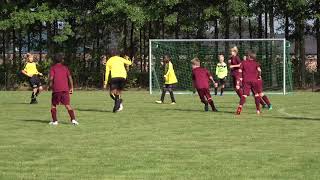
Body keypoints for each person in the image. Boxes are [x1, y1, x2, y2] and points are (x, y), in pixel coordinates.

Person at [49, 53, 79, 125]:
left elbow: (51, 78)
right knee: (67, 105)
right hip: (65, 89)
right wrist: (71, 87)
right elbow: (70, 78)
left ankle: (55, 121)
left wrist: (50, 85)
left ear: (54, 60)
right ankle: (73, 120)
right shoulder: (65, 68)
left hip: (56, 89)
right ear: (62, 60)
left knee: (53, 105)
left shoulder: (53, 68)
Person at [236, 50, 262, 115]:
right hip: (254, 81)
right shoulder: (256, 63)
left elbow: (239, 72)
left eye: (247, 55)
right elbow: (259, 71)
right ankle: (258, 110)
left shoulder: (243, 63)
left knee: (244, 95)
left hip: (246, 81)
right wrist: (259, 77)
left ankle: (240, 107)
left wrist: (238, 82)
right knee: (256, 95)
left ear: (249, 56)